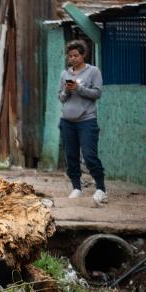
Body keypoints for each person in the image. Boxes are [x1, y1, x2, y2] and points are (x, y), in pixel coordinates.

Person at [58, 39, 107, 205]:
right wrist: (66, 90)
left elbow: (97, 93)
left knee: (89, 154)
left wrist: (79, 88)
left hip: (87, 120)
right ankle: (76, 187)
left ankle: (101, 188)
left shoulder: (93, 72)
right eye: (70, 56)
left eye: (76, 55)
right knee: (71, 155)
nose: (73, 58)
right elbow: (61, 98)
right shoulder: (65, 74)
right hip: (67, 121)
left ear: (83, 55)